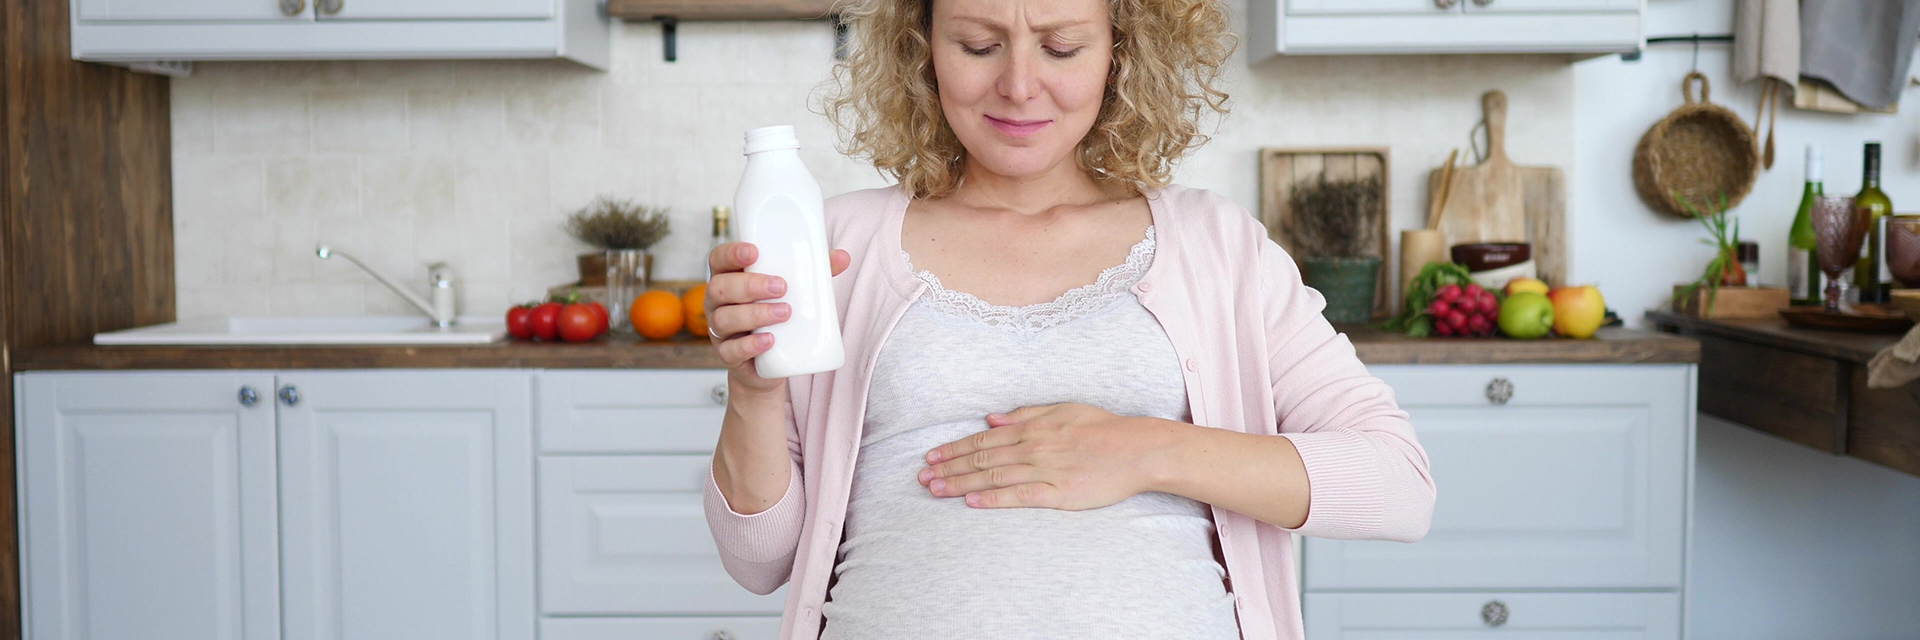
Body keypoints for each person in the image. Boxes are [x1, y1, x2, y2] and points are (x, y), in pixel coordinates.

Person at [700, 0, 1435, 638]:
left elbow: (1399, 485)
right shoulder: (839, 245)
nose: (1020, 86)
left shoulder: (1216, 245)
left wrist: (1143, 450)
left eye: (1061, 47)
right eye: (979, 46)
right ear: (921, 49)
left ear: (1121, 51)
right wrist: (754, 388)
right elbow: (758, 561)